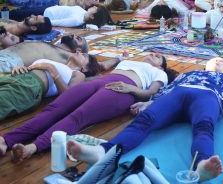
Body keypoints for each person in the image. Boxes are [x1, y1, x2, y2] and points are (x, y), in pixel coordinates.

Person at [67, 57, 223, 182]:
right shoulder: (189, 74)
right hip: (179, 93)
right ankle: (102, 151)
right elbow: (168, 89)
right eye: (213, 59)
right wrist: (149, 103)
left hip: (208, 96)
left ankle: (201, 166)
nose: (217, 61)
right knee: (145, 120)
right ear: (204, 65)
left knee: (204, 127)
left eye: (221, 61)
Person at [0, 53, 177, 162]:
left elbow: (151, 92)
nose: (152, 55)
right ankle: (6, 140)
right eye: (152, 53)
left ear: (161, 65)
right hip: (99, 82)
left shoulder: (159, 73)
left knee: (78, 116)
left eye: (157, 57)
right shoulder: (129, 61)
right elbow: (102, 66)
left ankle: (33, 148)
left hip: (123, 89)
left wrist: (131, 89)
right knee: (55, 108)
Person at [0, 50, 102, 120]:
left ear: (85, 68)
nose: (78, 51)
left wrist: (52, 70)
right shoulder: (59, 63)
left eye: (83, 55)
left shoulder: (78, 74)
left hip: (29, 86)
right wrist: (20, 68)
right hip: (15, 76)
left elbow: (68, 96)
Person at [0, 33, 118, 73]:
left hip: (8, 63)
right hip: (5, 54)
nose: (74, 35)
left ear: (78, 51)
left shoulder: (68, 59)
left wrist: (119, 59)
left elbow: (101, 66)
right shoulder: (54, 45)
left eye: (79, 39)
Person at [44, 5, 113, 28]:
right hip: (51, 8)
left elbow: (55, 23)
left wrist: (41, 20)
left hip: (49, 14)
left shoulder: (76, 20)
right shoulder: (84, 12)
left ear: (92, 16)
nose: (94, 6)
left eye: (96, 8)